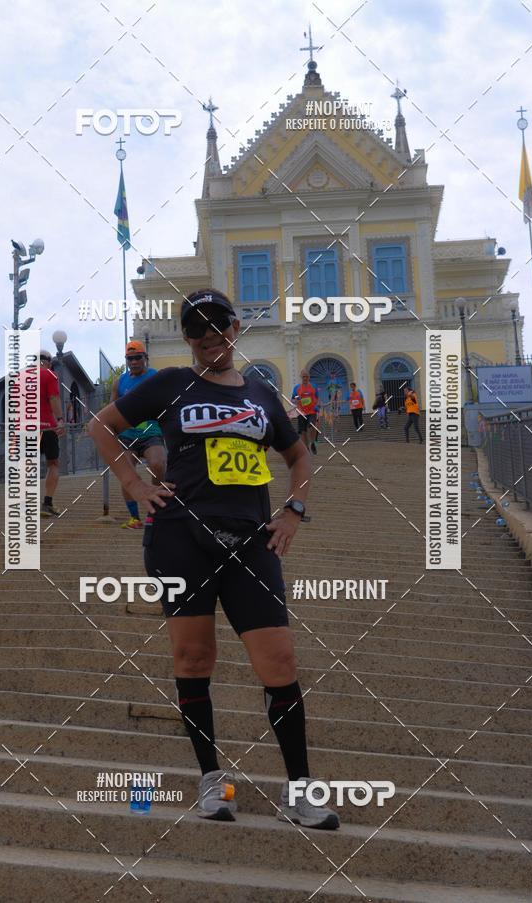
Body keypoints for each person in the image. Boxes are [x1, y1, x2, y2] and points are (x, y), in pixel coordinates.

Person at [89, 288, 339, 831]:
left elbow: (297, 455)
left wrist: (294, 508)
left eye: (218, 323)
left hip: (252, 541)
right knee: (194, 660)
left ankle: (300, 790)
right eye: (195, 326)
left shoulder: (261, 394)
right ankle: (212, 781)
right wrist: (133, 482)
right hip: (181, 538)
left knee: (280, 664)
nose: (208, 334)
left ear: (235, 326)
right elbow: (101, 425)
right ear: (185, 336)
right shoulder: (171, 382)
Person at [109, 341, 167, 529]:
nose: (134, 362)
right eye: (130, 358)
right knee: (127, 473)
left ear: (145, 359)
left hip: (151, 431)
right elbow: (112, 408)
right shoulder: (120, 381)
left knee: (158, 464)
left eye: (137, 358)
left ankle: (156, 511)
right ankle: (134, 517)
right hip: (127, 435)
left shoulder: (155, 376)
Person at [39, 351, 65, 517]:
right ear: (47, 362)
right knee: (53, 464)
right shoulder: (49, 375)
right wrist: (61, 419)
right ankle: (47, 504)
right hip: (46, 426)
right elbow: (53, 398)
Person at [291, 370, 320, 454]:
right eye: (303, 376)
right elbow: (293, 399)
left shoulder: (313, 386)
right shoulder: (297, 388)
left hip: (312, 411)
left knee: (312, 426)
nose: (305, 378)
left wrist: (317, 406)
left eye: (306, 376)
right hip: (301, 412)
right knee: (303, 431)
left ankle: (313, 443)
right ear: (301, 377)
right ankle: (306, 448)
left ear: (309, 377)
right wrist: (296, 400)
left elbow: (317, 398)